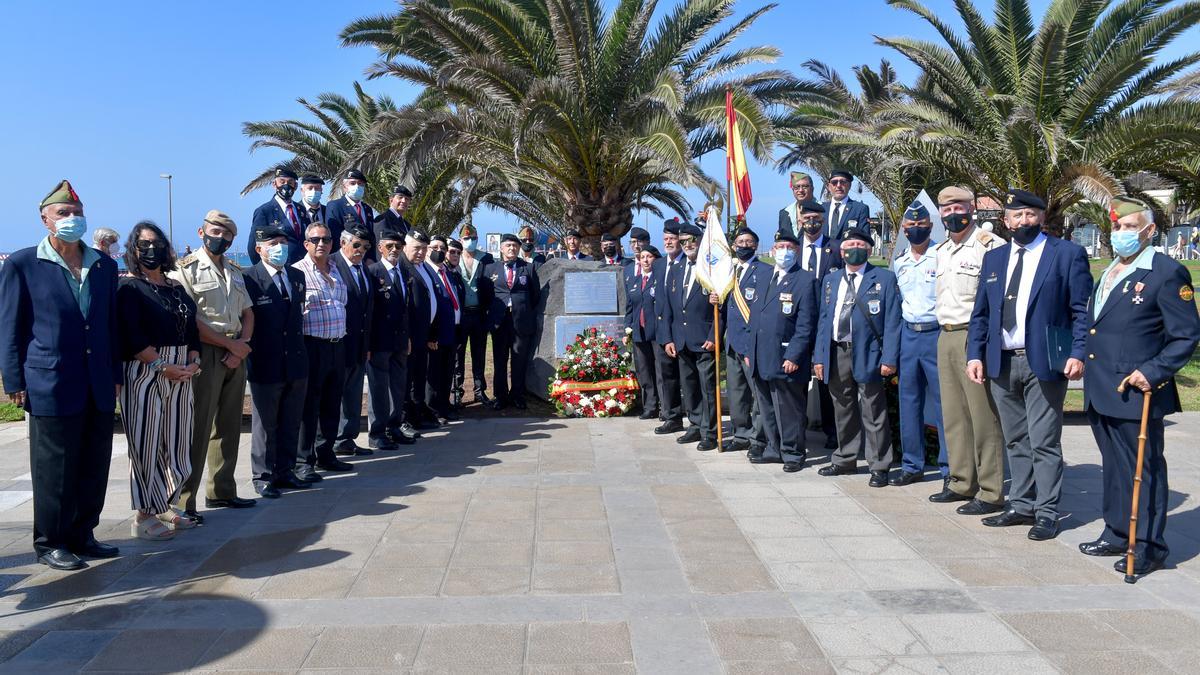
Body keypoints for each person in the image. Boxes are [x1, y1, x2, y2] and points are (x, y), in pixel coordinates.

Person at [0, 180, 122, 570]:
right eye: (63, 214)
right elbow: (11, 326)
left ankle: (83, 533)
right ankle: (51, 541)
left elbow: (109, 325)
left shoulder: (104, 265)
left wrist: (114, 371)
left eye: (77, 213)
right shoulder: (22, 263)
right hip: (50, 379)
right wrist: (13, 379)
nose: (72, 219)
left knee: (93, 461)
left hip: (97, 380)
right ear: (45, 220)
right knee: (54, 467)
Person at [1079, 197, 1199, 577]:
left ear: (1149, 231)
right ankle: (1117, 531)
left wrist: (1155, 370)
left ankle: (1147, 545)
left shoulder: (1166, 272)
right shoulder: (1112, 269)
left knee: (1142, 470)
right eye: (1117, 227)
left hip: (1137, 389)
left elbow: (1185, 335)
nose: (1121, 234)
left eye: (1130, 227)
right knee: (1114, 467)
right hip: (1102, 386)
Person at [967, 189, 1092, 541]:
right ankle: (1021, 504)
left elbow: (1081, 310)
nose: (1023, 221)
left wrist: (1078, 353)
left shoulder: (1067, 254)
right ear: (1005, 221)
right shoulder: (995, 259)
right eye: (1016, 216)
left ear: (1042, 217)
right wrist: (974, 354)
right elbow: (981, 314)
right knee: (1016, 439)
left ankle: (1047, 512)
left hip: (1045, 362)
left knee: (1044, 440)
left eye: (1030, 215)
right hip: (1001, 361)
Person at [169, 210, 256, 520]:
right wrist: (231, 345)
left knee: (229, 425)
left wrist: (242, 346)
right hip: (205, 353)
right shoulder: (186, 270)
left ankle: (222, 490)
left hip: (235, 352)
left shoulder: (234, 269)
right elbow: (190, 319)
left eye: (226, 234)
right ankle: (184, 500)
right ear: (201, 232)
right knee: (199, 426)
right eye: (214, 232)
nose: (220, 238)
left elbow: (248, 312)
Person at [117, 222, 201, 539]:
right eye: (143, 244)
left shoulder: (175, 287)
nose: (150, 249)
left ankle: (163, 503)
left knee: (176, 443)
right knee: (146, 443)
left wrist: (193, 360)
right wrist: (161, 365)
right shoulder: (128, 288)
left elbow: (192, 329)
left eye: (156, 243)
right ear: (133, 251)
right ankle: (143, 514)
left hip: (182, 370)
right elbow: (132, 334)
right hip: (146, 370)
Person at [928, 186, 1006, 514]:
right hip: (945, 334)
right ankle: (961, 481)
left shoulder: (990, 247)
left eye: (957, 207)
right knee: (954, 415)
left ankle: (991, 490)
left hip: (975, 336)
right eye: (945, 210)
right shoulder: (942, 250)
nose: (951, 214)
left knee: (983, 415)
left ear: (971, 208)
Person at [813, 227, 900, 487]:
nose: (853, 248)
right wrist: (819, 357)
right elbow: (824, 319)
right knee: (843, 407)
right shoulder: (831, 280)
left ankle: (879, 465)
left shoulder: (883, 278)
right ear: (841, 251)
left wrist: (889, 358)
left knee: (873, 409)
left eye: (859, 244)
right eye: (848, 244)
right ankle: (845, 459)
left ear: (869, 250)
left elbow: (893, 321)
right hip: (836, 350)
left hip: (869, 352)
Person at [243, 226, 312, 498]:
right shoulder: (249, 278)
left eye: (284, 242)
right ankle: (263, 476)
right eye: (274, 242)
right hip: (265, 362)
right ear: (259, 248)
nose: (280, 247)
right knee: (265, 425)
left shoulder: (296, 276)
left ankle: (286, 471)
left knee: (291, 421)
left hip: (295, 360)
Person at [746, 232, 818, 471]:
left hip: (785, 356)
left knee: (789, 409)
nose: (783, 251)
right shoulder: (765, 275)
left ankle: (793, 453)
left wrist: (794, 355)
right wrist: (749, 349)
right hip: (761, 354)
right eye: (779, 246)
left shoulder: (805, 280)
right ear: (772, 250)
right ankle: (773, 448)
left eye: (788, 246)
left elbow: (806, 324)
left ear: (796, 251)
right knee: (766, 407)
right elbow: (754, 316)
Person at [890, 200, 948, 486]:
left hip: (936, 333)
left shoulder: (942, 255)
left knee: (944, 404)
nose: (916, 229)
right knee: (908, 402)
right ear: (904, 229)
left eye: (921, 225)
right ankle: (912, 465)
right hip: (909, 335)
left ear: (930, 226)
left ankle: (950, 468)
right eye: (911, 226)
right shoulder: (899, 261)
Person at [293, 223, 354, 479]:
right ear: (306, 244)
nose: (322, 243)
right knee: (309, 406)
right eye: (316, 239)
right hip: (312, 345)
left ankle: (326, 453)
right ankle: (303, 461)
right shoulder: (298, 272)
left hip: (336, 345)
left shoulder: (336, 269)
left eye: (327, 239)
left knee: (332, 403)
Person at [667, 223, 721, 451]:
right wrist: (669, 338)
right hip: (681, 339)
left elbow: (722, 309)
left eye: (692, 240)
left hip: (705, 340)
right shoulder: (677, 269)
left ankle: (710, 431)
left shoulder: (712, 268)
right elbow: (670, 307)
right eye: (683, 240)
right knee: (689, 387)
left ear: (700, 241)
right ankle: (696, 424)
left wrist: (715, 335)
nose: (688, 244)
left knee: (708, 387)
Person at [795, 199, 841, 450]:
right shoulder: (793, 247)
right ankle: (797, 427)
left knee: (828, 376)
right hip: (799, 321)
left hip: (827, 320)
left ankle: (832, 430)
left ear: (823, 221)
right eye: (807, 219)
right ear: (800, 220)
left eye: (816, 219)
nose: (811, 223)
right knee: (797, 374)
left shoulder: (835, 248)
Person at [366, 230, 415, 449]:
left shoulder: (403, 272)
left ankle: (394, 426)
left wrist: (408, 337)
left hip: (399, 339)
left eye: (398, 246)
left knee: (398, 385)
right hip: (379, 341)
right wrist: (367, 342)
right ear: (380, 248)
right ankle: (377, 432)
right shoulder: (372, 272)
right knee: (379, 388)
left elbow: (405, 309)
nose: (394, 250)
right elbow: (368, 311)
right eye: (390, 246)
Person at [719, 226, 767, 453]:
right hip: (732, 342)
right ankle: (741, 434)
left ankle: (758, 438)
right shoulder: (729, 272)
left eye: (749, 242)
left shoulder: (764, 272)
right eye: (740, 242)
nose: (744, 246)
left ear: (755, 246)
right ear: (733, 246)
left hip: (752, 344)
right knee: (736, 392)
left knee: (757, 394)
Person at [331, 226, 376, 456]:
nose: (361, 250)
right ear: (342, 242)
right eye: (356, 245)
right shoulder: (331, 265)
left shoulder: (364, 270)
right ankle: (330, 441)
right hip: (338, 344)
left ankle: (346, 438)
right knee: (335, 396)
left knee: (353, 394)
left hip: (359, 346)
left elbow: (367, 310)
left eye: (365, 247)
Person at [484, 233, 541, 410]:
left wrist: (522, 308)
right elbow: (486, 295)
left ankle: (517, 395)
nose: (512, 248)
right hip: (500, 321)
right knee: (500, 359)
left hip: (520, 321)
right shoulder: (490, 269)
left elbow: (535, 295)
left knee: (519, 359)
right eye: (508, 245)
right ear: (501, 248)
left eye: (515, 246)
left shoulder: (528, 268)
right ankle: (500, 396)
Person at [403, 231, 441, 427]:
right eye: (416, 248)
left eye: (424, 249)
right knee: (406, 379)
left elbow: (431, 298)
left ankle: (417, 415)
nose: (420, 252)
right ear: (405, 245)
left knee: (419, 376)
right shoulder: (402, 267)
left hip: (424, 333)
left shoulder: (424, 267)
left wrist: (432, 332)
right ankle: (406, 419)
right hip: (410, 335)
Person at [456, 223, 495, 407]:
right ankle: (457, 393)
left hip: (479, 314)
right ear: (460, 240)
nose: (470, 242)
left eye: (473, 239)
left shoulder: (486, 258)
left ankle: (480, 392)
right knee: (458, 355)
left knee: (479, 355)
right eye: (466, 239)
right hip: (461, 315)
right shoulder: (454, 258)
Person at [653, 219, 686, 433]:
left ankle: (695, 418)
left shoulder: (688, 263)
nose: (668, 242)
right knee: (667, 377)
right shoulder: (659, 264)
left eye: (672, 239)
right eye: (665, 239)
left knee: (687, 378)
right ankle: (672, 416)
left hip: (683, 331)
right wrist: (664, 336)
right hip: (663, 330)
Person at [426, 235, 462, 421]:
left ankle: (443, 406)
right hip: (436, 334)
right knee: (434, 373)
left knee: (447, 371)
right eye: (435, 247)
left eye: (442, 248)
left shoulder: (447, 272)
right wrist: (431, 334)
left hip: (451, 331)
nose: (438, 251)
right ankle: (432, 410)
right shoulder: (427, 272)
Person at [625, 245, 661, 420]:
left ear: (656, 259)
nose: (645, 260)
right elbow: (630, 308)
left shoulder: (660, 279)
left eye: (649, 257)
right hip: (638, 333)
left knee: (660, 371)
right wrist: (627, 329)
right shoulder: (634, 281)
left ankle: (664, 407)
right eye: (642, 257)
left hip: (656, 332)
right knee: (644, 371)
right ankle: (650, 406)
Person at [247, 168, 305, 265]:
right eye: (282, 182)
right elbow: (253, 246)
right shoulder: (264, 211)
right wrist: (263, 273)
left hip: (303, 269)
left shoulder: (301, 209)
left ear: (295, 186)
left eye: (290, 182)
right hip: (281, 268)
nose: (286, 185)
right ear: (274, 184)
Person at [326, 169, 375, 247]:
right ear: (344, 187)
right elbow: (335, 236)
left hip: (366, 255)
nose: (357, 186)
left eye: (360, 184)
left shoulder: (367, 209)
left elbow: (371, 235)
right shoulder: (335, 206)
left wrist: (370, 258)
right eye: (352, 183)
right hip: (345, 254)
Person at [822, 170, 871, 242]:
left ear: (849, 185)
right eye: (834, 182)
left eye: (843, 182)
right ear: (829, 186)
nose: (838, 185)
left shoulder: (860, 209)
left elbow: (864, 239)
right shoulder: (821, 209)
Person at [777, 171, 815, 239]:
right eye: (797, 187)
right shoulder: (784, 213)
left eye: (805, 186)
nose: (800, 190)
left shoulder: (825, 209)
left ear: (812, 188)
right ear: (793, 190)